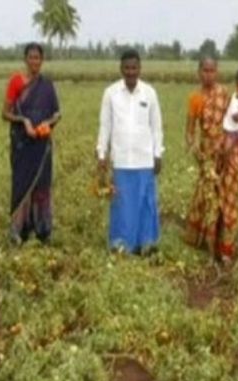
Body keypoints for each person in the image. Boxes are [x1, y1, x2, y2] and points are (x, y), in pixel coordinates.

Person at [95, 50, 164, 255]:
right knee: (122, 206)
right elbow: (105, 126)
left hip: (144, 159)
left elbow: (156, 127)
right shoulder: (111, 93)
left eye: (134, 68)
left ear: (140, 69)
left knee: (145, 203)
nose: (131, 72)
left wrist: (157, 153)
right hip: (122, 160)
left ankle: (146, 244)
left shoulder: (149, 93)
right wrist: (101, 154)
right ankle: (121, 244)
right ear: (121, 69)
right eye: (127, 68)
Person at [2, 43, 61, 245]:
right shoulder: (16, 82)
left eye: (38, 58)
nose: (34, 61)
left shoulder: (47, 84)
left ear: (41, 60)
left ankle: (43, 229)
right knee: (21, 185)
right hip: (23, 145)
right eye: (31, 57)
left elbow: (57, 113)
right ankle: (20, 230)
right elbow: (5, 113)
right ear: (25, 59)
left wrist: (48, 123)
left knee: (42, 185)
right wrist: (24, 121)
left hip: (42, 145)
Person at [184, 57, 231, 260]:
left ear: (217, 72)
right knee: (207, 195)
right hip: (206, 155)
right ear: (199, 72)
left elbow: (232, 125)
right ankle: (207, 242)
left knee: (223, 196)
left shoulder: (225, 94)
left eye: (212, 71)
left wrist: (230, 147)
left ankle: (221, 242)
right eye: (205, 70)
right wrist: (194, 147)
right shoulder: (195, 98)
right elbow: (189, 131)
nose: (208, 75)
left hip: (225, 153)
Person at [213, 67, 238, 264]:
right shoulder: (231, 99)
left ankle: (226, 248)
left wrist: (234, 145)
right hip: (225, 146)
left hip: (233, 151)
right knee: (217, 195)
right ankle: (216, 243)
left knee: (229, 200)